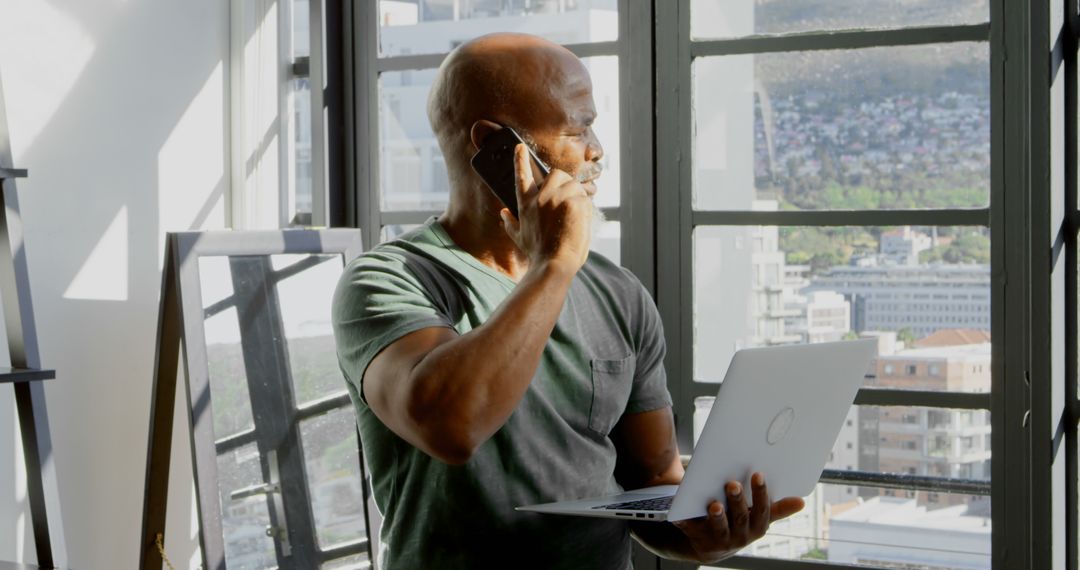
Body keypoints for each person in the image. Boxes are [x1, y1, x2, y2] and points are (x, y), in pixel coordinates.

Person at [332, 32, 804, 569]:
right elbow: (452, 425)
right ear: (494, 144)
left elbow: (650, 483)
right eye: (576, 127)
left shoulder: (618, 293)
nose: (596, 149)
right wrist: (555, 264)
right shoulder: (388, 280)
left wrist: (707, 534)